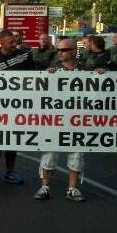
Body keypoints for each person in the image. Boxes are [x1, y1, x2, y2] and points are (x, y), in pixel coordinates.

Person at [34, 38, 86, 202]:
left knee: (76, 154)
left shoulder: (85, 70)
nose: (60, 53)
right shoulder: (53, 70)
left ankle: (73, 188)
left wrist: (100, 74)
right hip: (55, 119)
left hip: (77, 119)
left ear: (74, 51)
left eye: (64, 50)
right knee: (50, 153)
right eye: (58, 50)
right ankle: (45, 187)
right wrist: (47, 77)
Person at [0, 28, 35, 184]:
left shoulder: (24, 56)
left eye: (15, 41)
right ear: (1, 42)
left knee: (12, 141)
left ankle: (9, 172)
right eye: (11, 42)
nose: (15, 44)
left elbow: (36, 75)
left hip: (17, 105)